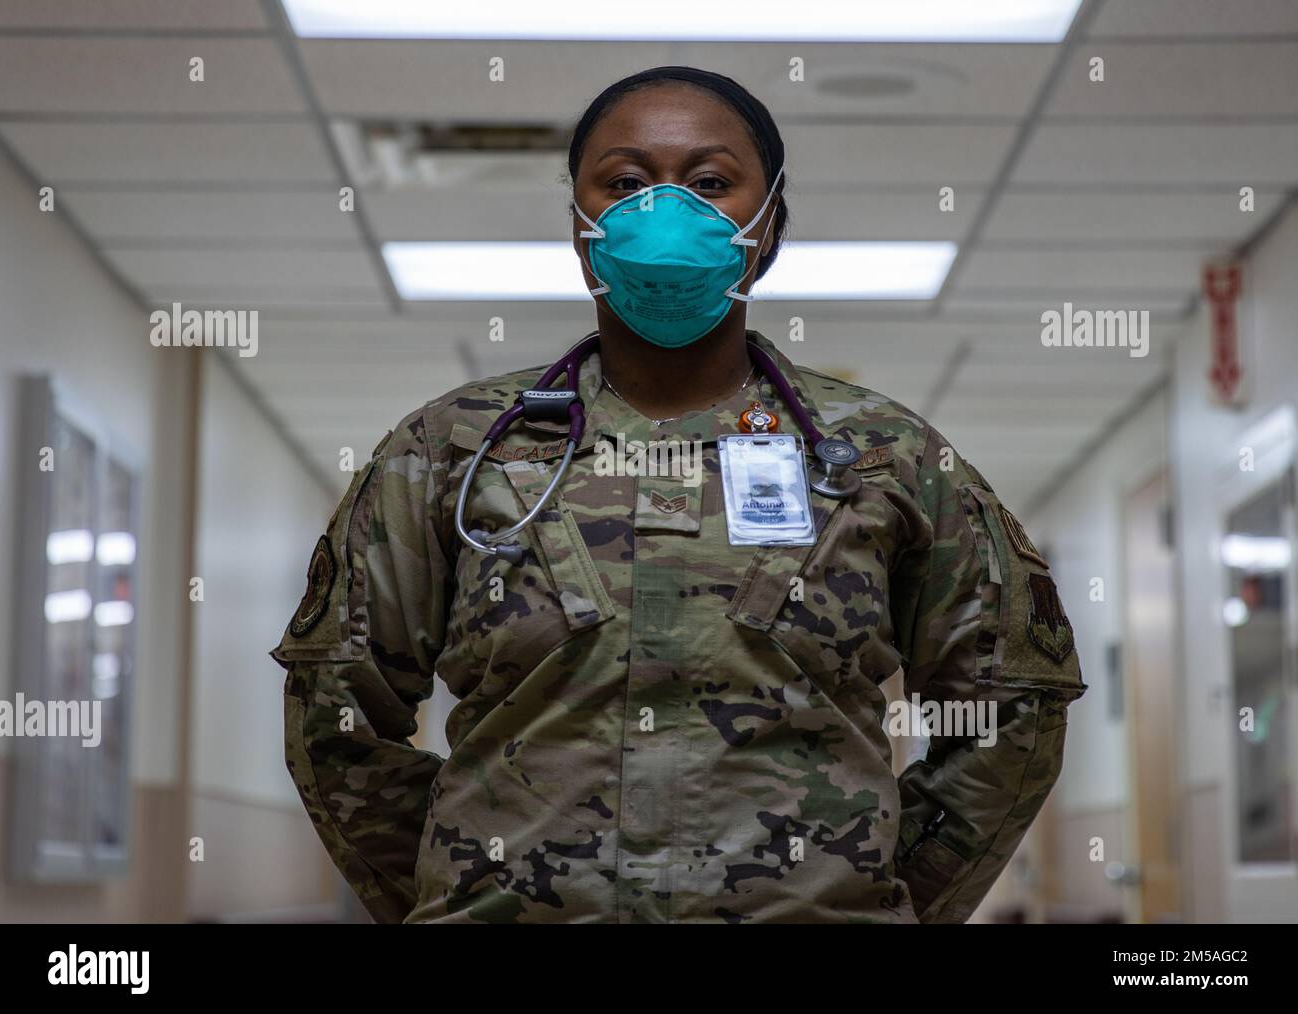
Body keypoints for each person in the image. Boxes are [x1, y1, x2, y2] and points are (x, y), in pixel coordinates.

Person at [271, 66, 1086, 924]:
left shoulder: (887, 459)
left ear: (767, 218)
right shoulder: (452, 451)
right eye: (624, 182)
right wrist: (464, 890)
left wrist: (875, 896)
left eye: (708, 183)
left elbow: (1007, 703)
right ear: (580, 223)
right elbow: (337, 708)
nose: (663, 211)